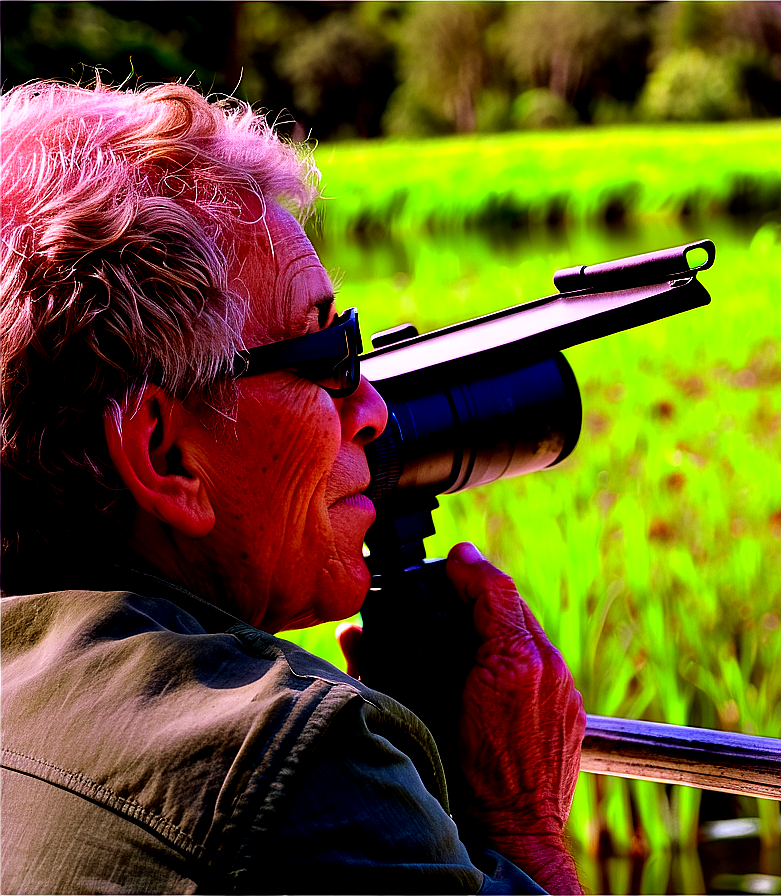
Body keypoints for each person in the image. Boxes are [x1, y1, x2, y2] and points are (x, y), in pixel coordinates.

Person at [0, 80, 585, 895]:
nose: (373, 408)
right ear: (167, 455)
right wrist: (519, 827)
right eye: (326, 357)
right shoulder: (295, 765)